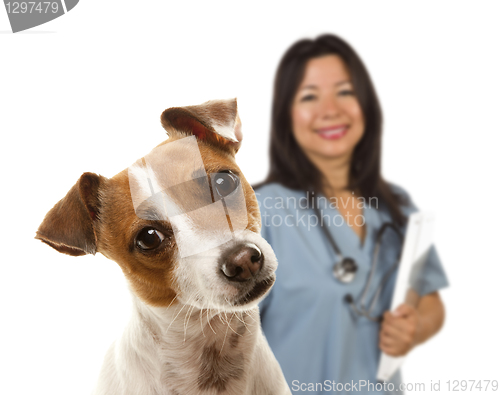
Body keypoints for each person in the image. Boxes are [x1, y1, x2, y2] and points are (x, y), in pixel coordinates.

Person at [254, 34, 449, 394]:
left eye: (345, 91)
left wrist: (415, 327)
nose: (331, 109)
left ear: (366, 104)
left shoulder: (396, 206)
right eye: (309, 96)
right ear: (286, 115)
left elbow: (430, 301)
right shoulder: (259, 211)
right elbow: (221, 333)